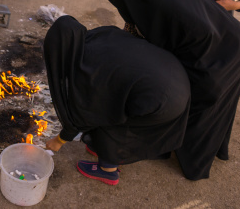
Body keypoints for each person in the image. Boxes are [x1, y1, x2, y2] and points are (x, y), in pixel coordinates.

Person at [97, 0, 240, 181]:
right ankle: (166, 145)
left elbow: (159, 52)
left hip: (227, 48)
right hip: (212, 41)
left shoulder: (155, 1)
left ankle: (194, 163)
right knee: (179, 95)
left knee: (201, 100)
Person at [44, 16, 190, 186]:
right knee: (112, 100)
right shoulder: (100, 35)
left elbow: (85, 114)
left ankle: (108, 170)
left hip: (163, 100)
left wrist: (59, 141)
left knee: (108, 114)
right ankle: (100, 147)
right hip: (176, 77)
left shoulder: (90, 69)